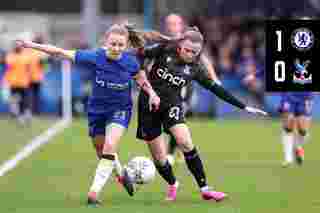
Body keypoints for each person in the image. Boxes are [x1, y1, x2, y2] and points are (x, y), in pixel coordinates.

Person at [16, 24, 161, 207]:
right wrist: (31, 45)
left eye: (120, 45)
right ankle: (121, 174)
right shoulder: (95, 57)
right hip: (97, 111)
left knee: (110, 146)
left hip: (120, 110)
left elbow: (141, 80)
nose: (116, 48)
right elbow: (59, 53)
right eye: (113, 44)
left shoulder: (131, 62)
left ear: (125, 46)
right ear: (106, 43)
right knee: (102, 151)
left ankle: (93, 194)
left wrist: (153, 94)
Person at [136, 28, 267, 201]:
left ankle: (205, 188)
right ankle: (173, 183)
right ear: (180, 45)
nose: (190, 54)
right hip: (148, 104)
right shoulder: (165, 48)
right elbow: (139, 54)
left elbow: (216, 89)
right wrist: (141, 71)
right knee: (160, 158)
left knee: (185, 141)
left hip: (171, 105)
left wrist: (244, 107)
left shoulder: (196, 68)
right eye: (187, 50)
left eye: (194, 52)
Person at [162, 13, 222, 165]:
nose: (171, 27)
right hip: (165, 86)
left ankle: (170, 153)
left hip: (183, 87)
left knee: (177, 117)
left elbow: (204, 60)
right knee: (167, 121)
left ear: (181, 25)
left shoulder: (188, 42)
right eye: (169, 24)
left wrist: (214, 78)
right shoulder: (164, 42)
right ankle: (177, 149)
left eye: (175, 23)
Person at [279, 92, 314, 167]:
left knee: (303, 130)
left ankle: (298, 147)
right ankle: (288, 159)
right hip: (288, 95)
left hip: (305, 95)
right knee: (288, 125)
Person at [3, 42, 32, 125]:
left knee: (25, 100)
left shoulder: (25, 56)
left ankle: (25, 115)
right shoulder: (10, 56)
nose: (17, 47)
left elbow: (28, 68)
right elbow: (8, 68)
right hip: (14, 82)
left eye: (19, 45)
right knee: (15, 101)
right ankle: (18, 115)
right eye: (16, 45)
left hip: (23, 82)